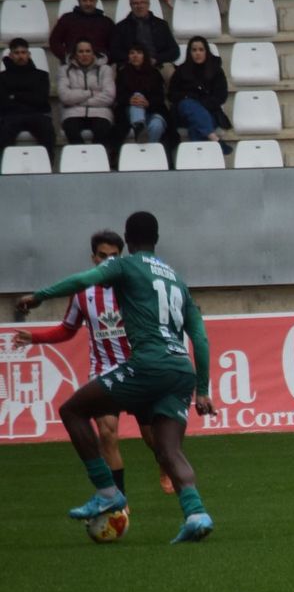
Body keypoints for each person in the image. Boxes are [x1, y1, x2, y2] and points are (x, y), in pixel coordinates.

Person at [14, 211, 216, 544]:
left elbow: (81, 280)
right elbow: (200, 336)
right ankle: (196, 514)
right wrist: (203, 390)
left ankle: (107, 491)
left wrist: (40, 295)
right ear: (157, 239)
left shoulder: (127, 265)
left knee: (72, 411)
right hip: (181, 370)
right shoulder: (177, 280)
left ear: (129, 239)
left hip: (147, 365)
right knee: (168, 449)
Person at [13, 230, 176, 496]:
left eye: (114, 256)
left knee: (152, 436)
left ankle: (163, 462)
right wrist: (35, 338)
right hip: (104, 370)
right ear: (93, 258)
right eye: (103, 256)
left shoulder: (135, 286)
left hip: (138, 368)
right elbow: (68, 329)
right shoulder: (82, 293)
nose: (108, 261)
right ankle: (118, 501)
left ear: (121, 257)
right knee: (107, 432)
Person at [169, 36, 232, 150]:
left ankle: (199, 163)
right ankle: (215, 139)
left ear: (206, 52)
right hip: (184, 113)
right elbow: (172, 95)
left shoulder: (216, 71)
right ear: (190, 52)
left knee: (196, 127)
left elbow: (221, 96)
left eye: (201, 50)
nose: (197, 53)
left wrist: (200, 104)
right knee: (188, 104)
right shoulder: (181, 71)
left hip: (209, 111)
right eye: (194, 50)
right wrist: (188, 97)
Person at [0, 39, 56, 161]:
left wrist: (15, 95)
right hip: (11, 116)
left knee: (47, 130)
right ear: (10, 55)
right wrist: (29, 97)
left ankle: (47, 166)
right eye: (17, 53)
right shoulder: (2, 77)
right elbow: (3, 102)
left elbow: (41, 100)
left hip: (37, 115)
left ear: (29, 54)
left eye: (23, 52)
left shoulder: (41, 75)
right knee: (4, 132)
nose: (20, 56)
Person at [59, 40, 117, 153]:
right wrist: (90, 93)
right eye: (80, 51)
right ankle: (81, 160)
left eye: (87, 51)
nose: (84, 54)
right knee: (71, 129)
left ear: (93, 53)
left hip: (100, 112)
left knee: (102, 130)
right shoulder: (64, 70)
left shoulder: (105, 69)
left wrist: (77, 100)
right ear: (75, 54)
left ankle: (98, 161)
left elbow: (109, 96)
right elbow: (65, 96)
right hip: (73, 113)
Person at [114, 43, 173, 147]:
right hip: (130, 111)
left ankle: (146, 149)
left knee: (157, 125)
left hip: (152, 110)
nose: (135, 56)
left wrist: (147, 102)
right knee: (137, 95)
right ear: (128, 56)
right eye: (132, 53)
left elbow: (159, 97)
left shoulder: (154, 73)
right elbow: (119, 96)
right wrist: (130, 100)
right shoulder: (123, 73)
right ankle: (139, 126)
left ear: (145, 56)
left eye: (139, 53)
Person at [109, 0, 181, 68]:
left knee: (169, 70)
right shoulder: (121, 27)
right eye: (135, 3)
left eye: (143, 2)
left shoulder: (161, 25)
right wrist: (133, 58)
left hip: (158, 64)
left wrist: (156, 59)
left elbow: (174, 51)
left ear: (148, 4)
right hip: (130, 65)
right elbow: (114, 51)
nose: (140, 6)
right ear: (130, 5)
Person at [49, 0, 117, 65]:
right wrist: (66, 56)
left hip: (100, 65)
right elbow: (54, 41)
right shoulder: (67, 19)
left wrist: (106, 58)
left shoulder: (106, 22)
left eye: (91, 0)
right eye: (84, 0)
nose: (88, 3)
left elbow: (114, 45)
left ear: (96, 1)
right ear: (79, 1)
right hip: (72, 65)